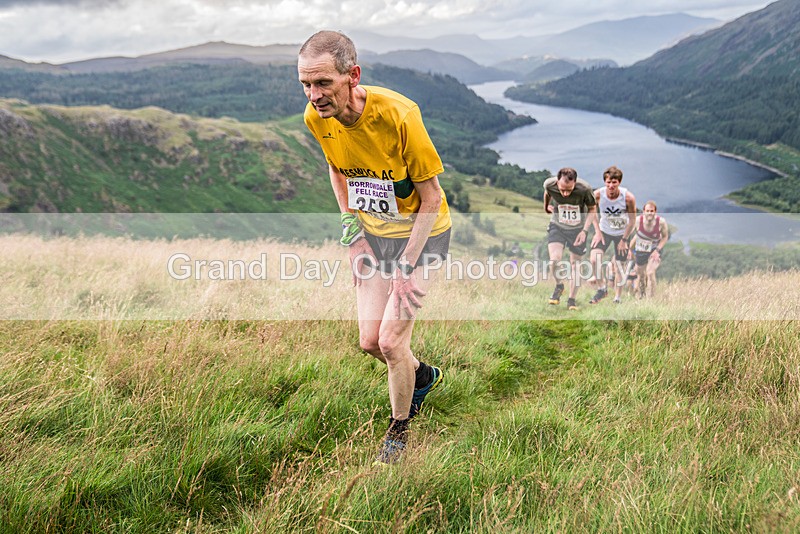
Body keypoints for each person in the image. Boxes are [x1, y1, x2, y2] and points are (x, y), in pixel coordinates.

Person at [298, 30, 451, 464]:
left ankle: (399, 431)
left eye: (323, 83)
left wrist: (407, 264)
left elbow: (432, 197)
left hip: (423, 235)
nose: (314, 95)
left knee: (389, 341)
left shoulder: (400, 114)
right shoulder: (316, 119)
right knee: (368, 340)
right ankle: (421, 376)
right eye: (306, 85)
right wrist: (354, 236)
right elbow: (337, 170)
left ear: (352, 75)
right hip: (374, 235)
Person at [543, 167, 599, 311]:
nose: (565, 193)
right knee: (554, 261)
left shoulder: (585, 189)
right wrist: (546, 206)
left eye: (569, 190)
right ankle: (559, 286)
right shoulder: (549, 184)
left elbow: (592, 209)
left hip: (577, 230)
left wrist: (585, 231)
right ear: (557, 182)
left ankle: (571, 301)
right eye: (562, 190)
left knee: (576, 265)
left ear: (575, 182)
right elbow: (547, 192)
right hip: (558, 226)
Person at [588, 166, 637, 304]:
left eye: (614, 182)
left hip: (622, 233)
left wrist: (624, 240)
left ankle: (617, 298)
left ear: (619, 183)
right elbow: (591, 212)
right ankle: (602, 288)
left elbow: (632, 220)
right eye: (608, 182)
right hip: (604, 231)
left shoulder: (628, 198)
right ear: (605, 182)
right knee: (594, 259)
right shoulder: (597, 194)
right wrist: (597, 232)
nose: (611, 186)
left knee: (619, 266)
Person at [629, 200, 669, 298]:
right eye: (648, 211)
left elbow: (664, 237)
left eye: (652, 211)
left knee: (650, 272)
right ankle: (642, 295)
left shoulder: (661, 222)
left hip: (654, 250)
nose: (650, 213)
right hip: (641, 250)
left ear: (655, 211)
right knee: (641, 275)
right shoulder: (637, 221)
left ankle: (651, 298)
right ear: (644, 211)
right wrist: (630, 249)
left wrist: (657, 250)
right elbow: (629, 234)